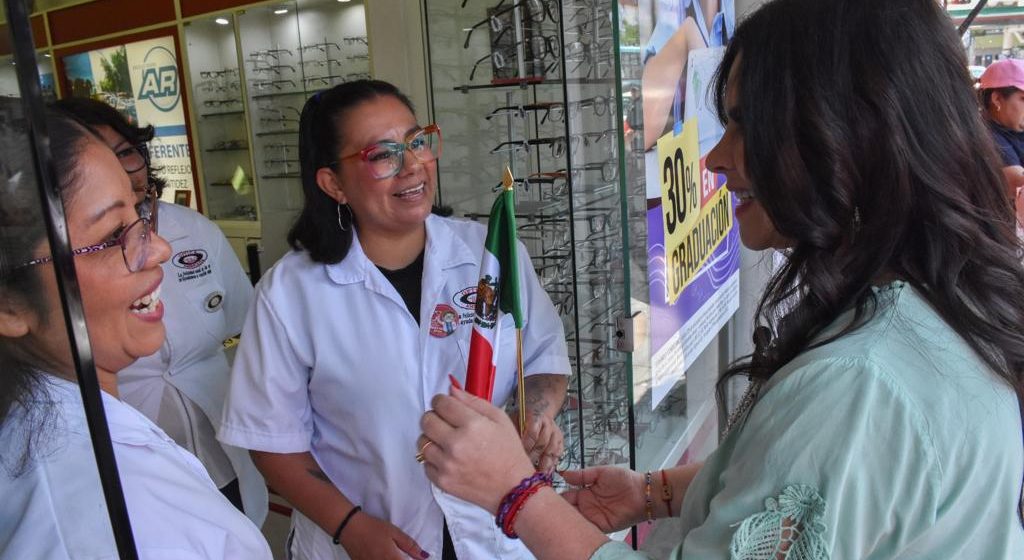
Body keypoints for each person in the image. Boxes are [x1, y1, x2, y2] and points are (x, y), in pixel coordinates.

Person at [417, 1, 1024, 559]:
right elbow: (823, 486)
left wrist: (516, 495)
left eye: (744, 125)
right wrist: (655, 492)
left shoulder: (861, 384)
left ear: (849, 134)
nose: (715, 158)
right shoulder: (927, 301)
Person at [218, 79, 571, 560]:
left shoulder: (487, 252)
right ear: (333, 183)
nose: (413, 165)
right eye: (382, 154)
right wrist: (352, 527)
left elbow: (544, 356)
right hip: (372, 541)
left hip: (497, 533)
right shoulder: (290, 295)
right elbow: (271, 442)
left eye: (417, 141)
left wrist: (536, 415)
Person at [0, 108, 271, 558]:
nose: (160, 248)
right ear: (10, 305)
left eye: (138, 215)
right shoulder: (122, 517)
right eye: (110, 237)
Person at [978, 59, 1024, 234]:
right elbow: (1017, 183)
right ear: (997, 99)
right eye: (1023, 99)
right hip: (996, 239)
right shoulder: (985, 134)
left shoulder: (1016, 128)